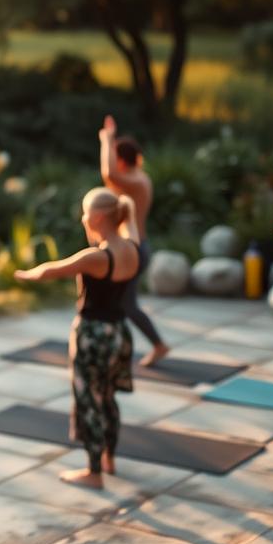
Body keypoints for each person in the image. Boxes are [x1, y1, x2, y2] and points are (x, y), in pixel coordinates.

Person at [14, 188, 140, 489]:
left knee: (89, 400)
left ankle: (93, 471)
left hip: (93, 334)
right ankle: (109, 458)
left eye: (85, 213)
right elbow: (131, 217)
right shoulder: (132, 248)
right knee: (107, 396)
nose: (83, 219)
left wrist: (23, 275)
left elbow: (53, 270)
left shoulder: (96, 257)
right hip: (119, 333)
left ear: (97, 217)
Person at [99, 115, 170, 367]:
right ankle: (114, 348)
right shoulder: (135, 179)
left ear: (121, 159)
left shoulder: (137, 182)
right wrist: (108, 141)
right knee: (115, 303)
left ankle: (158, 345)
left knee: (126, 304)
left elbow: (108, 173)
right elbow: (110, 176)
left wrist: (106, 139)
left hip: (134, 250)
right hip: (130, 250)